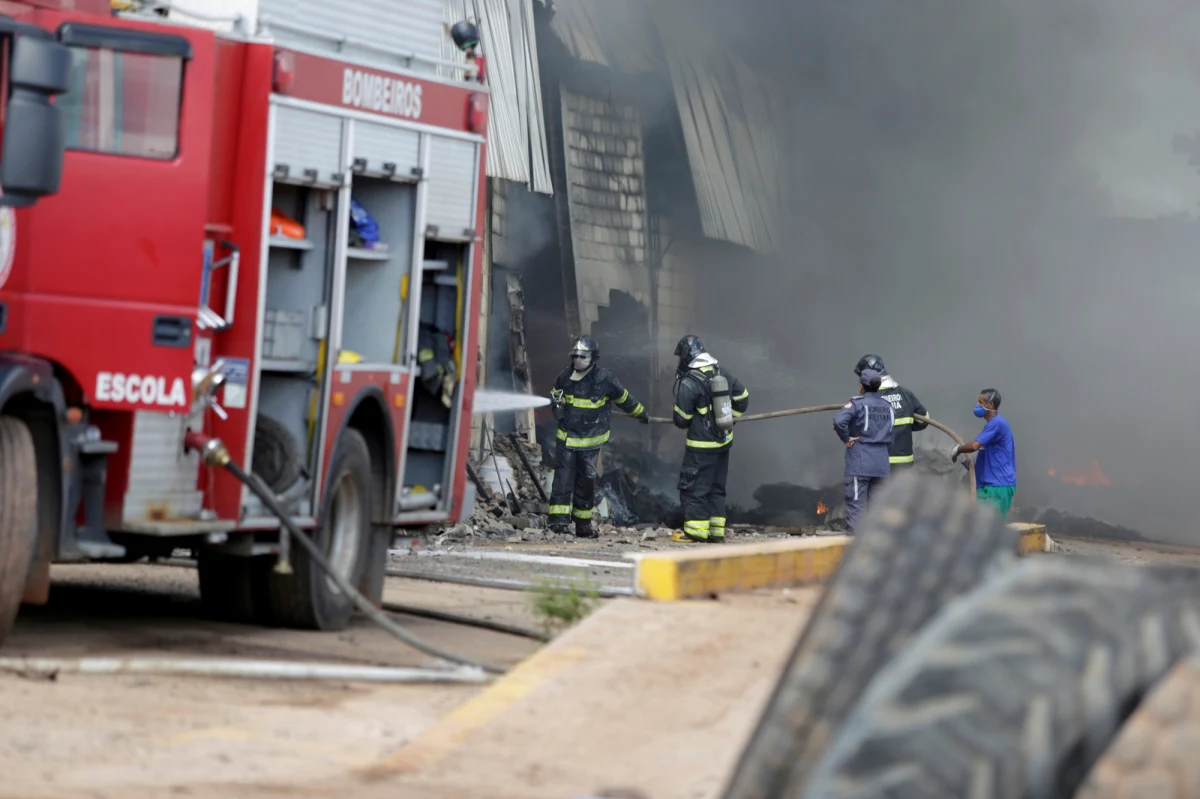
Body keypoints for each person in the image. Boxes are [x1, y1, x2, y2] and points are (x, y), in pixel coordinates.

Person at [548, 336, 648, 538]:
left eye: (582, 356)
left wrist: (640, 412)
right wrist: (557, 405)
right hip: (567, 440)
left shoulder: (605, 379)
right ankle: (558, 523)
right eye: (575, 356)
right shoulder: (565, 377)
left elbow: (623, 398)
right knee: (562, 482)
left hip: (590, 443)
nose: (578, 360)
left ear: (593, 358)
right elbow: (555, 394)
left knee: (586, 485)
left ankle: (582, 526)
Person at [671, 335, 749, 543]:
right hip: (723, 444)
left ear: (687, 356)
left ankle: (695, 532)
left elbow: (681, 419)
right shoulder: (722, 372)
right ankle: (716, 532)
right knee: (716, 488)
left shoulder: (690, 382)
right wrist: (729, 421)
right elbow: (743, 398)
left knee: (695, 488)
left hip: (700, 448)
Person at [832, 368, 895, 532]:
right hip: (881, 465)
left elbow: (839, 421)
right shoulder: (888, 407)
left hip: (860, 464)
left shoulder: (857, 404)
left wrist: (846, 438)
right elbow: (891, 436)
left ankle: (855, 544)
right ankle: (877, 544)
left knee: (856, 509)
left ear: (861, 386)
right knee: (878, 509)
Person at [951, 388, 1016, 519]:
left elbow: (974, 446)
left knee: (987, 525)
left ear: (990, 405)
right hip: (988, 486)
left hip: (997, 486)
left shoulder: (997, 423)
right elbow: (990, 454)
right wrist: (971, 465)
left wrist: (958, 450)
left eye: (980, 402)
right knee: (977, 523)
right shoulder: (992, 425)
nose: (977, 405)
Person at [856, 354, 928, 471]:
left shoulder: (866, 401)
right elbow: (924, 420)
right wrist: (905, 426)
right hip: (904, 466)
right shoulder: (906, 395)